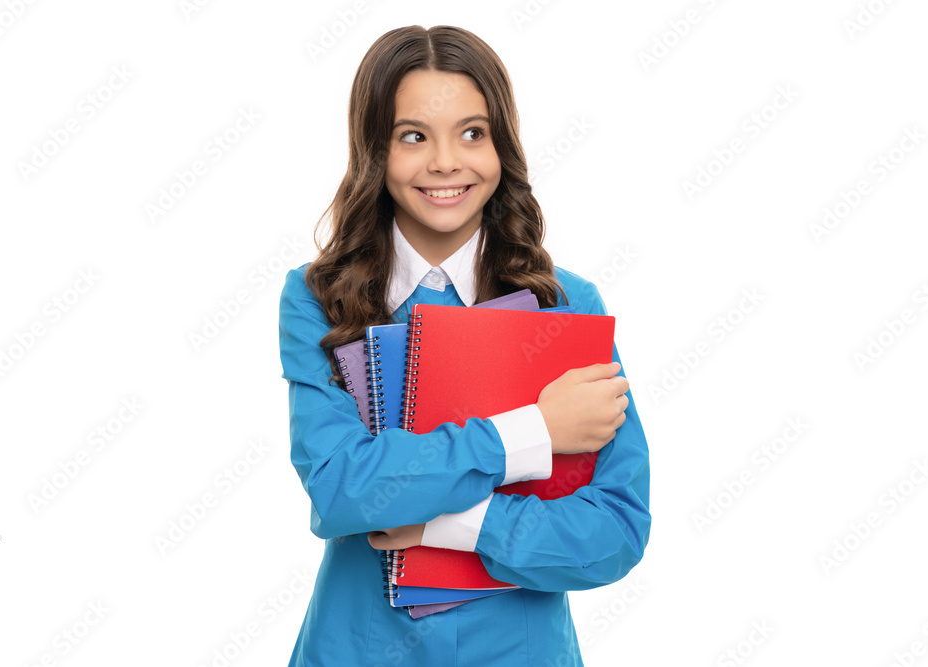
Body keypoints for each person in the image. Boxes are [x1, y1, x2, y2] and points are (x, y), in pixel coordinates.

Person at [278, 24, 650, 666]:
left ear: (501, 146)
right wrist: (531, 432)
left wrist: (451, 526)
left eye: (472, 133)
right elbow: (340, 490)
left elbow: (615, 529)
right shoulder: (319, 299)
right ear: (376, 150)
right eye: (413, 136)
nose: (446, 161)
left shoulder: (568, 306)